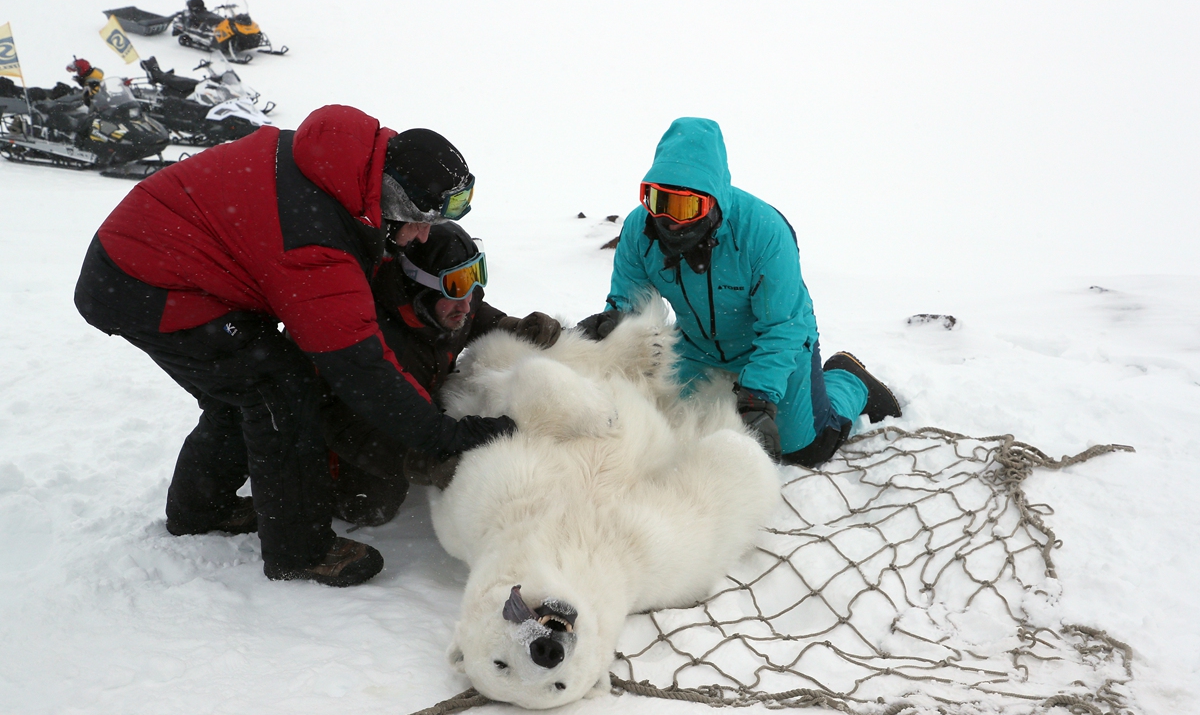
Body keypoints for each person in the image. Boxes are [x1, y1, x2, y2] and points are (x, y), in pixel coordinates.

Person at [74, 104, 516, 587]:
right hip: (146, 283)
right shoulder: (316, 239)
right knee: (279, 392)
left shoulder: (344, 166)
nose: (424, 236)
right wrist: (442, 436)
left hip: (157, 260)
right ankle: (299, 552)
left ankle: (201, 510)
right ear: (390, 200)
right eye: (419, 221)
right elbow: (359, 365)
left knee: (241, 391)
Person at [578, 117, 901, 468]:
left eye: (685, 207)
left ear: (712, 201)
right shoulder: (639, 232)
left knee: (804, 448)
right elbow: (631, 305)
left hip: (774, 344)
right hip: (698, 349)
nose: (669, 219)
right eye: (657, 200)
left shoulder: (763, 233)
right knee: (667, 433)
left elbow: (783, 326)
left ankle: (848, 379)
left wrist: (758, 400)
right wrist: (612, 323)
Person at [321, 222, 562, 527]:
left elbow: (475, 316)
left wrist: (514, 328)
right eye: (455, 289)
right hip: (334, 425)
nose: (467, 302)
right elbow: (344, 424)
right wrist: (422, 462)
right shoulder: (371, 335)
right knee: (373, 505)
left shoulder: (448, 305)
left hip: (407, 394)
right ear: (418, 287)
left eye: (472, 283)